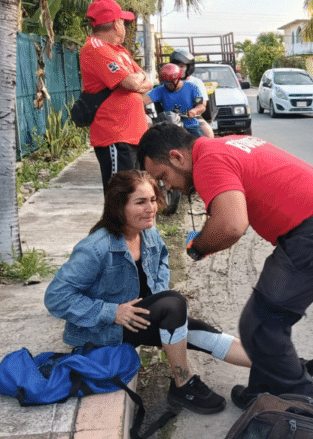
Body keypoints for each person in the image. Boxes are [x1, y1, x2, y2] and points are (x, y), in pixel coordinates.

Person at [137, 123, 313, 410]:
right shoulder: (227, 144)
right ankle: (263, 391)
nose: (167, 187)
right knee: (265, 321)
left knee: (261, 327)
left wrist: (200, 247)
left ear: (177, 157)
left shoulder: (207, 163)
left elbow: (231, 225)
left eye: (163, 177)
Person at [44, 170, 254, 414]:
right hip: (103, 332)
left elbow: (162, 262)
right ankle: (183, 383)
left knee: (202, 333)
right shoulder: (96, 248)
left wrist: (158, 299)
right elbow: (56, 297)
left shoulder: (149, 234)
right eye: (140, 202)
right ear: (118, 206)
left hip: (138, 320)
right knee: (174, 305)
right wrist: (112, 312)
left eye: (153, 200)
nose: (151, 208)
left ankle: (285, 369)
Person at [81, 0, 153, 192]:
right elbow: (131, 83)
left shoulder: (119, 51)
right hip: (116, 136)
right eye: (123, 21)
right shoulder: (96, 48)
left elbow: (148, 81)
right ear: (116, 23)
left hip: (133, 135)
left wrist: (136, 79)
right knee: (120, 197)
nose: (125, 26)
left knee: (133, 195)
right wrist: (136, 79)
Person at [143, 63, 205, 137]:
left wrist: (194, 111)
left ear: (178, 79)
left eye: (170, 83)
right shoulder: (160, 89)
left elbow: (201, 106)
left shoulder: (193, 88)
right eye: (165, 83)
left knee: (201, 144)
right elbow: (143, 101)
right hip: (170, 128)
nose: (168, 86)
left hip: (190, 126)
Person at [169, 49, 215, 138]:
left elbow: (202, 105)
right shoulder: (167, 82)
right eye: (176, 66)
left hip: (192, 117)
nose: (179, 69)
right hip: (169, 118)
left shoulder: (196, 83)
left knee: (208, 134)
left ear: (189, 67)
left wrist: (194, 111)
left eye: (182, 66)